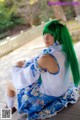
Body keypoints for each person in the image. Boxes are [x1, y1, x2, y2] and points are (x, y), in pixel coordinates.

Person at [5, 19, 80, 120]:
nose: (46, 37)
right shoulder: (65, 50)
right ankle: (8, 110)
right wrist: (23, 63)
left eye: (50, 34)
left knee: (9, 85)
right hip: (61, 90)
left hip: (47, 96)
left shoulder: (47, 57)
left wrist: (15, 68)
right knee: (21, 64)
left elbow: (22, 80)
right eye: (45, 33)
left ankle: (6, 113)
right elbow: (38, 62)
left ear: (58, 35)